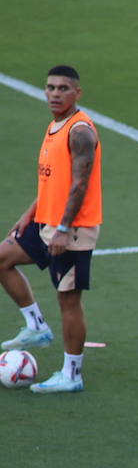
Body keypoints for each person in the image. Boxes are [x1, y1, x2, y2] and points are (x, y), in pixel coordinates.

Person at [1, 65, 102, 392]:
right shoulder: (56, 125)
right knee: (2, 259)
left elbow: (80, 185)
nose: (55, 94)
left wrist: (61, 228)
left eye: (62, 88)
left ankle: (71, 375)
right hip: (46, 220)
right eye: (50, 88)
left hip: (69, 229)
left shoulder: (79, 131)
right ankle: (36, 326)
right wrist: (30, 213)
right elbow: (53, 178)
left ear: (77, 93)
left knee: (68, 301)